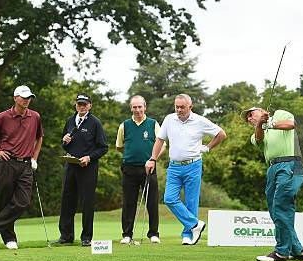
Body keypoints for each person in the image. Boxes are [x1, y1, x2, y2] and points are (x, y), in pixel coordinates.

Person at [145, 94, 226, 245]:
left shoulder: (200, 121)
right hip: (174, 166)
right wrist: (153, 159)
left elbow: (221, 134)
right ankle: (196, 225)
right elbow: (160, 140)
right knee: (169, 199)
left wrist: (207, 148)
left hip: (193, 165)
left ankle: (187, 235)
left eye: (182, 107)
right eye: (177, 107)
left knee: (191, 202)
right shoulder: (169, 119)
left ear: (190, 107)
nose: (179, 110)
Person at [241, 106, 303, 261]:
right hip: (272, 168)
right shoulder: (257, 133)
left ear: (262, 110)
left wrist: (269, 122)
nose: (250, 118)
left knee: (281, 206)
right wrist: (260, 124)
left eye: (252, 114)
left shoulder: (280, 114)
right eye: (248, 119)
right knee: (275, 209)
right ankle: (297, 250)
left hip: (290, 163)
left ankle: (281, 252)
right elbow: (258, 139)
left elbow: (291, 124)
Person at [0, 85, 43, 250]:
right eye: (23, 97)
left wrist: (34, 158)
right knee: (5, 200)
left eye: (29, 97)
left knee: (22, 201)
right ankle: (9, 238)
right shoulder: (4, 116)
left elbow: (39, 138)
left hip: (26, 165)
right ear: (15, 98)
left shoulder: (35, 116)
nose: (26, 100)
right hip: (7, 162)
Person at [55, 93, 108, 247]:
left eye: (85, 104)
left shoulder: (94, 123)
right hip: (70, 165)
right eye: (79, 104)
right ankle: (66, 236)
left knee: (87, 202)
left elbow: (103, 147)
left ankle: (86, 237)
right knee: (67, 200)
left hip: (88, 168)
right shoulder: (70, 121)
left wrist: (89, 157)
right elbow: (65, 144)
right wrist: (64, 142)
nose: (82, 107)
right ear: (75, 105)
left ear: (90, 106)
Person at [116, 95, 165, 244]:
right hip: (129, 168)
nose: (137, 110)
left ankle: (153, 233)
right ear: (131, 108)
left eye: (140, 107)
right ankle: (127, 234)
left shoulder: (153, 124)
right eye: (134, 107)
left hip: (148, 168)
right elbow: (119, 146)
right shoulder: (124, 125)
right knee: (128, 203)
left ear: (145, 107)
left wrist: (152, 158)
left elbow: (162, 145)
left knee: (151, 202)